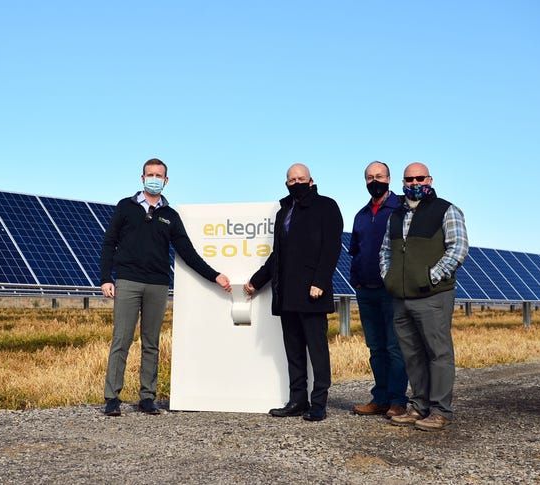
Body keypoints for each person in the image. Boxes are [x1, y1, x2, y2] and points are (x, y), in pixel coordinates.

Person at [100, 158, 231, 417]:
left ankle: (147, 397)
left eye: (159, 175)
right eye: (150, 174)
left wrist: (214, 275)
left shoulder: (170, 216)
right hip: (128, 281)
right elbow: (109, 243)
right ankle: (112, 397)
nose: (154, 178)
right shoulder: (126, 207)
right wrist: (106, 278)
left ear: (166, 180)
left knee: (152, 343)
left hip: (157, 285)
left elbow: (187, 252)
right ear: (142, 178)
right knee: (121, 340)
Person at [244, 163, 343, 422]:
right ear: (286, 183)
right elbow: (279, 254)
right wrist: (257, 281)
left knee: (317, 350)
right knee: (294, 350)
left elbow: (332, 247)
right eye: (291, 179)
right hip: (287, 294)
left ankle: (319, 403)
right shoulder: (284, 211)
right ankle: (297, 400)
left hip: (313, 292)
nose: (296, 182)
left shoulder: (327, 206)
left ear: (311, 180)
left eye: (300, 178)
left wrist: (320, 282)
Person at [379, 162, 468, 431]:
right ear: (402, 182)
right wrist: (389, 276)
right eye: (409, 179)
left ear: (429, 179)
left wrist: (432, 275)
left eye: (420, 178)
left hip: (433, 295)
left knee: (438, 353)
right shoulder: (396, 215)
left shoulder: (446, 210)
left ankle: (441, 410)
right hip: (402, 296)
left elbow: (458, 247)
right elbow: (385, 251)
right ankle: (419, 407)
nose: (414, 183)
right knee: (412, 354)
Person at [349, 161, 408, 419]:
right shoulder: (361, 215)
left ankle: (398, 400)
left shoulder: (401, 209)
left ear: (389, 178)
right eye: (370, 177)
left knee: (395, 348)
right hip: (366, 290)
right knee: (376, 348)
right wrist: (356, 279)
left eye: (380, 176)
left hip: (391, 290)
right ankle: (380, 397)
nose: (375, 181)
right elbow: (355, 250)